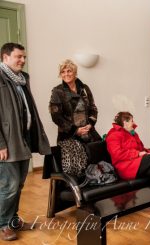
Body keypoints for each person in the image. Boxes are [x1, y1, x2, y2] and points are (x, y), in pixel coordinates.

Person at [0, 43, 50, 241]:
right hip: (8, 143)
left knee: (19, 184)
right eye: (18, 57)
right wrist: (0, 144)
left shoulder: (21, 79)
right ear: (5, 57)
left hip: (23, 140)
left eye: (24, 57)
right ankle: (4, 225)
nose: (22, 60)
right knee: (9, 185)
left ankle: (13, 220)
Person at [49, 59, 101, 177]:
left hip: (89, 132)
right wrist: (75, 130)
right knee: (75, 168)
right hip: (69, 134)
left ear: (75, 72)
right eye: (63, 72)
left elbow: (93, 108)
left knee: (98, 159)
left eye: (69, 71)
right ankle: (77, 191)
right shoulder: (57, 91)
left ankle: (95, 185)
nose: (66, 74)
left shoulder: (85, 88)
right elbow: (56, 116)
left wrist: (91, 124)